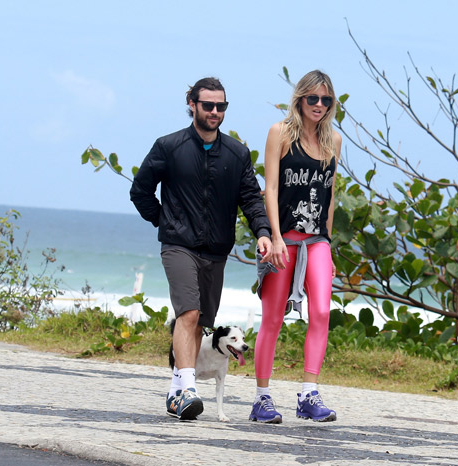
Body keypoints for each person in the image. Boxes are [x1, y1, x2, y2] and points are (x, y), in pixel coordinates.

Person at [130, 77, 272, 421]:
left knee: (199, 323)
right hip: (178, 245)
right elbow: (140, 191)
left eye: (220, 106)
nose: (214, 111)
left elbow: (251, 198)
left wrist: (263, 232)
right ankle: (189, 389)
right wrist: (165, 222)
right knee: (188, 312)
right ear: (192, 104)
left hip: (216, 251)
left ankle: (177, 390)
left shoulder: (237, 153)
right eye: (207, 105)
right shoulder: (169, 146)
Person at [250, 70, 341, 424]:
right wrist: (273, 237)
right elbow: (270, 188)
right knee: (273, 317)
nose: (318, 105)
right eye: (312, 99)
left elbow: (330, 196)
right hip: (284, 239)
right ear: (300, 98)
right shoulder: (280, 133)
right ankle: (261, 399)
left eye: (326, 100)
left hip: (317, 241)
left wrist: (329, 245)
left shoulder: (334, 140)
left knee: (320, 312)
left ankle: (308, 394)